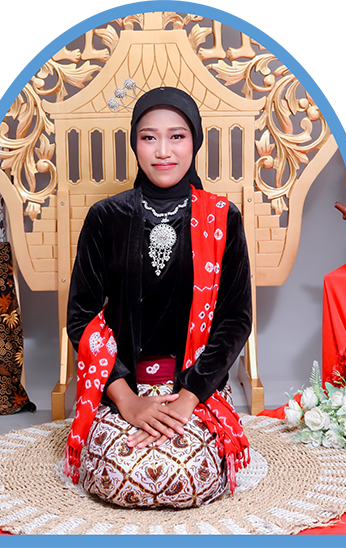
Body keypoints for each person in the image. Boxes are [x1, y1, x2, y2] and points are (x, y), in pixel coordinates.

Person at [64, 87, 252, 508]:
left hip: (195, 387)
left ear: (195, 142)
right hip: (122, 385)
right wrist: (128, 402)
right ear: (134, 144)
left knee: (187, 476)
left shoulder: (223, 218)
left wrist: (187, 399)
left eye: (177, 136)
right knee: (118, 475)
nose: (163, 151)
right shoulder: (106, 217)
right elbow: (82, 316)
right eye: (149, 137)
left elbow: (235, 319)